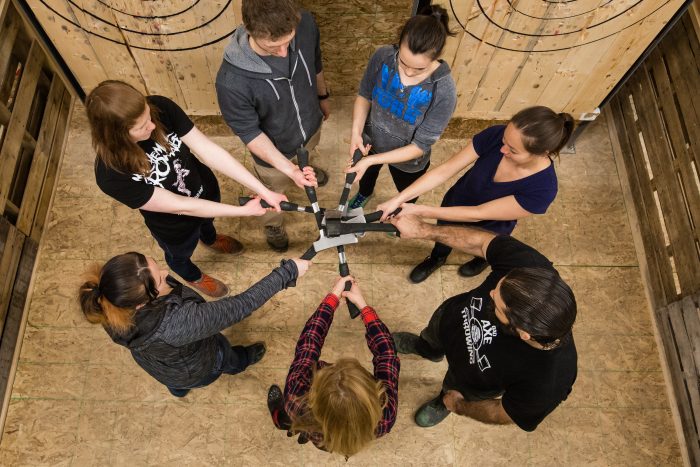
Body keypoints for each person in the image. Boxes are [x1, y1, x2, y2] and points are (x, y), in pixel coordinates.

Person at [87, 80, 287, 298]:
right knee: (179, 254)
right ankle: (193, 275)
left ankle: (210, 239)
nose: (153, 126)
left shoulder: (160, 107)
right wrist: (243, 211)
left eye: (149, 116)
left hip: (203, 188)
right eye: (142, 126)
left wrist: (263, 190)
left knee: (207, 223)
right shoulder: (110, 175)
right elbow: (181, 206)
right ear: (117, 135)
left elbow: (207, 149)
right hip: (174, 224)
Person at [389, 214, 577, 432]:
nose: (490, 291)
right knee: (432, 337)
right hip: (449, 321)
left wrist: (460, 405)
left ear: (523, 333)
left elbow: (504, 412)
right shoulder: (531, 269)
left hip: (472, 381)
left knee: (453, 390)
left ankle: (443, 402)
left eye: (497, 305)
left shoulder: (550, 380)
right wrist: (423, 230)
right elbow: (484, 242)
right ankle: (426, 348)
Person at [378, 106, 575, 283]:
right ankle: (437, 258)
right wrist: (398, 199)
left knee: (484, 247)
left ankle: (481, 261)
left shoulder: (543, 189)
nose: (502, 148)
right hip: (456, 202)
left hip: (490, 224)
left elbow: (479, 213)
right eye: (505, 140)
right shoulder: (496, 135)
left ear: (542, 153)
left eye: (512, 150)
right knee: (443, 235)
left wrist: (421, 211)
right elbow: (445, 170)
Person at [78, 252, 310, 398]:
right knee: (226, 357)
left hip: (160, 365)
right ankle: (242, 361)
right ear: (141, 304)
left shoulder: (109, 303)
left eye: (156, 266)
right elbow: (241, 305)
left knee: (176, 382)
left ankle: (178, 389)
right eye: (160, 278)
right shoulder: (176, 325)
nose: (166, 272)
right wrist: (286, 273)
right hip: (201, 365)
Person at [216, 0, 330, 252]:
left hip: (310, 126)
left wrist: (322, 97)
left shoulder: (307, 23)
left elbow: (316, 61)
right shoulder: (231, 81)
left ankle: (305, 166)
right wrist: (289, 170)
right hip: (272, 153)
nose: (282, 52)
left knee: (308, 154)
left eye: (288, 41)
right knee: (271, 192)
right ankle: (272, 224)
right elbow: (250, 133)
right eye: (272, 46)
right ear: (248, 28)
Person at [266, 276, 399, 458]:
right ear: (373, 390)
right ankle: (306, 431)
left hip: (306, 419)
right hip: (327, 441)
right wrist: (362, 305)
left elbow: (309, 343)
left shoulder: (295, 396)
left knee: (292, 417)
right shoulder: (385, 416)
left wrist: (333, 298)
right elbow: (387, 355)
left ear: (315, 392)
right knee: (322, 441)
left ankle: (285, 422)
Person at [345, 5, 457, 210]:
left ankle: (398, 211)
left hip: (409, 160)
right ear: (398, 46)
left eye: (419, 68)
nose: (409, 72)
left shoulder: (444, 91)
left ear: (437, 57)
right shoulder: (383, 57)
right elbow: (364, 95)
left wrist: (371, 161)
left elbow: (419, 146)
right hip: (370, 143)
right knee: (366, 178)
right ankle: (364, 194)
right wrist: (356, 133)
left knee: (406, 194)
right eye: (403, 62)